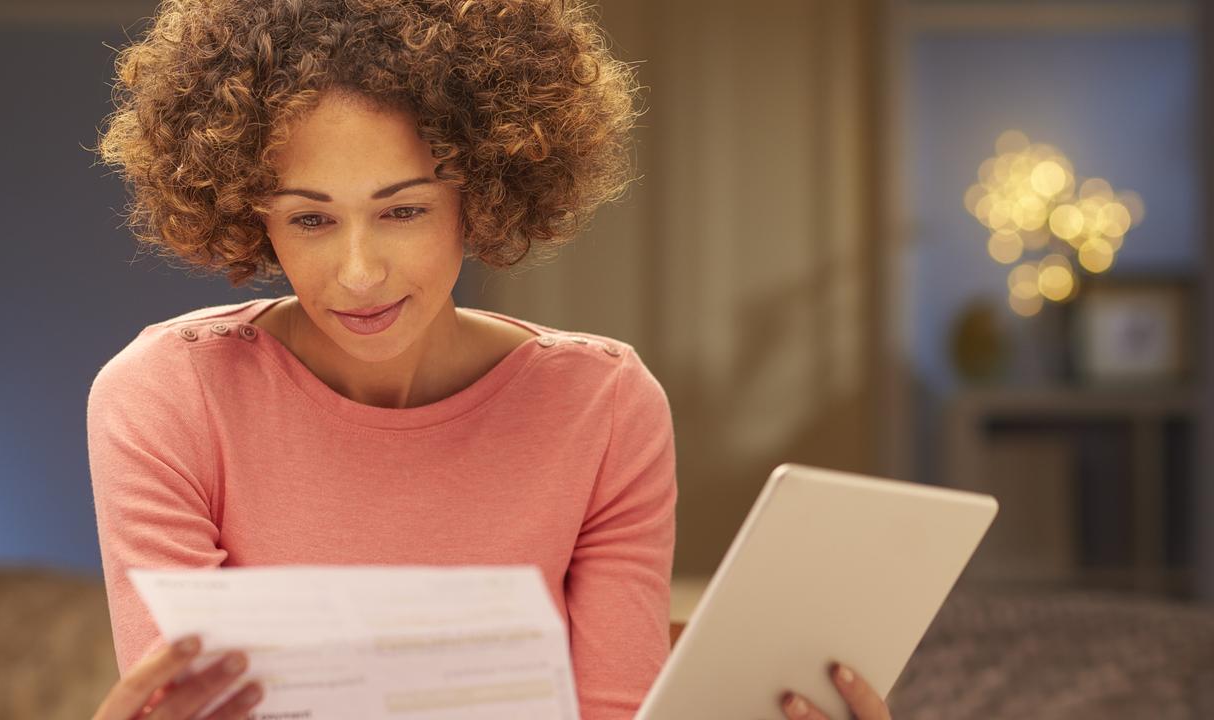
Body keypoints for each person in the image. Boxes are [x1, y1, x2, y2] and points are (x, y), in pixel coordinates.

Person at [86, 1, 894, 719]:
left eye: (403, 209)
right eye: (310, 220)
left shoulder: (604, 407)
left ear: (483, 192)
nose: (360, 272)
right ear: (251, 213)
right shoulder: (168, 397)